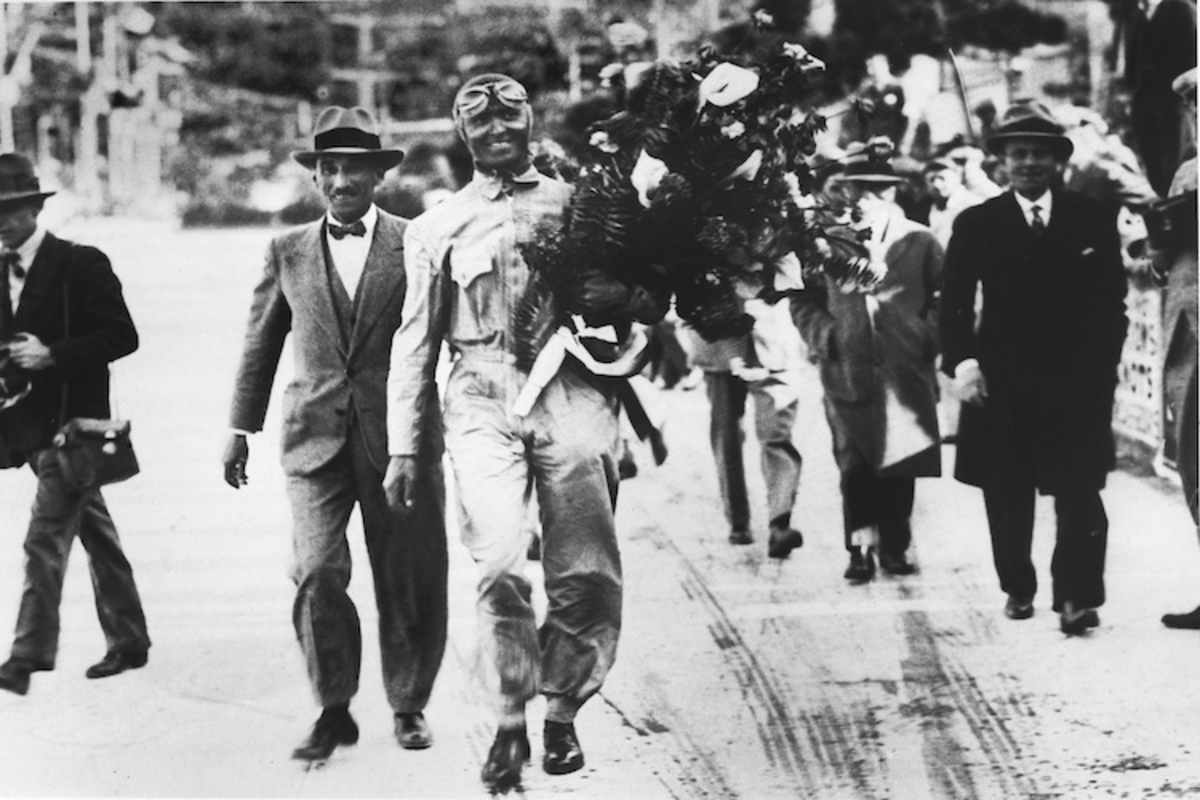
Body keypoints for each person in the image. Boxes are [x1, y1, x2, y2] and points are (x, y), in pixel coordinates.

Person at [384, 73, 667, 791]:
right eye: (481, 123)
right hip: (481, 398)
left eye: (510, 118)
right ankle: (511, 713)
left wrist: (630, 300)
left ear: (530, 123)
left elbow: (644, 301)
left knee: (586, 566)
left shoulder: (582, 205)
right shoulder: (437, 227)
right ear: (463, 134)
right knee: (499, 561)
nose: (497, 132)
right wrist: (404, 446)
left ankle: (563, 710)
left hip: (571, 388)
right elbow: (415, 344)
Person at [222, 107, 447, 761]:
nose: (340, 181)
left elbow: (444, 333)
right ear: (316, 175)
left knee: (409, 572)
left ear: (378, 176)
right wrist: (239, 427)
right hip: (313, 436)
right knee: (316, 570)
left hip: (399, 438)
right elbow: (260, 343)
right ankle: (333, 706)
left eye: (353, 169)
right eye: (329, 168)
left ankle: (409, 703)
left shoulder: (416, 242)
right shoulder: (286, 250)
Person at [939, 102, 1128, 635]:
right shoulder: (977, 223)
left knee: (1080, 490)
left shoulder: (1090, 216)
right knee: (1007, 491)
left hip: (1076, 381)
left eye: (1040, 154)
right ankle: (1018, 586)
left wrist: (1103, 368)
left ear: (1057, 161)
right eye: (1018, 154)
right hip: (1002, 381)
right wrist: (964, 364)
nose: (1028, 163)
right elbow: (954, 305)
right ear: (1001, 161)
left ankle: (1075, 597)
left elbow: (1112, 302)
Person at [0, 153, 149, 695]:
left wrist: (53, 355)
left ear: (35, 209)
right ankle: (129, 638)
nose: (1, 222)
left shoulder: (80, 264)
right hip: (25, 432)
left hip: (73, 430)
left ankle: (26, 656)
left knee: (44, 539)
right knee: (94, 532)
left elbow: (123, 336)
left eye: (10, 210)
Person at [790, 146, 943, 582]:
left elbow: (945, 297)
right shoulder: (826, 243)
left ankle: (895, 543)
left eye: (882, 189)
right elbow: (801, 299)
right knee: (853, 463)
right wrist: (828, 335)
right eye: (861, 188)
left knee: (902, 456)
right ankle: (859, 545)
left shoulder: (920, 240)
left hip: (904, 370)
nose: (871, 198)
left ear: (896, 191)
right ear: (847, 190)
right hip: (848, 369)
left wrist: (925, 335)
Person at [685, 298, 805, 558]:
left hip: (771, 340)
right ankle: (738, 520)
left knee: (776, 432)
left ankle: (780, 521)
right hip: (717, 343)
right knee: (727, 435)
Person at [1154, 67, 1199, 630]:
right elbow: (1166, 262)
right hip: (1188, 340)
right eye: (1195, 108)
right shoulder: (1187, 172)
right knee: (1195, 464)